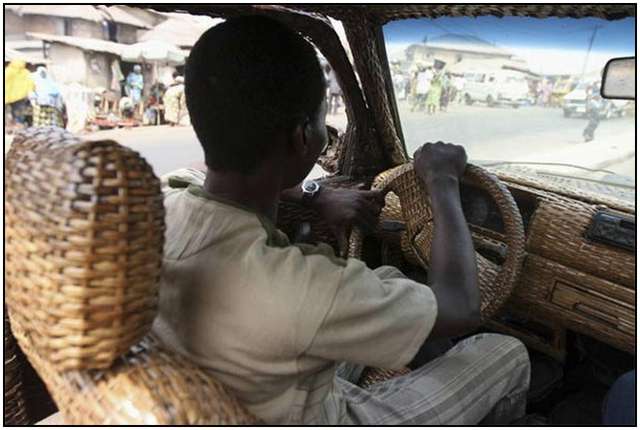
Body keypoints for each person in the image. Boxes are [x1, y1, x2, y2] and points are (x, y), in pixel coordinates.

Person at [152, 16, 530, 425]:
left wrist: (317, 194)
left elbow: (220, 179)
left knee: (386, 272)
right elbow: (460, 307)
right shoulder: (306, 286)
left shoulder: (160, 209)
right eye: (321, 124)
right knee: (505, 352)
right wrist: (442, 183)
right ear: (302, 137)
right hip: (311, 415)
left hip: (236, 392)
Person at [5, 59, 35, 127]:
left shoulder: (7, 71)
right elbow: (31, 84)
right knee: (19, 113)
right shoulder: (26, 72)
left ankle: (8, 126)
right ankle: (19, 125)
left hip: (7, 97)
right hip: (21, 97)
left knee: (7, 113)